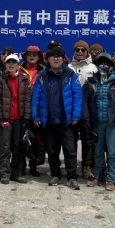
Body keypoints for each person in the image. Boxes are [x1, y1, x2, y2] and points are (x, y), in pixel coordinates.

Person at [31, 45, 83, 190]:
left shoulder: (70, 75)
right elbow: (36, 97)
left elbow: (78, 96)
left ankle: (72, 177)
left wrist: (76, 115)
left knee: (69, 150)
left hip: (66, 120)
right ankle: (55, 175)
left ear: (63, 59)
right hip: (49, 120)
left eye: (58, 56)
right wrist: (35, 115)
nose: (55, 59)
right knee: (52, 150)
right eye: (52, 56)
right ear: (48, 59)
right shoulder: (42, 75)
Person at [83, 52, 115, 191]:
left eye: (106, 63)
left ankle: (112, 179)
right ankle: (98, 176)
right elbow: (85, 101)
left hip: (112, 123)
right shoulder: (91, 81)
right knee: (98, 151)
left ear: (111, 66)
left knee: (112, 152)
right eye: (101, 63)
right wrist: (87, 119)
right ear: (96, 65)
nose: (103, 65)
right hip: (97, 123)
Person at [0, 53, 31, 184]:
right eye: (9, 62)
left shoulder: (24, 80)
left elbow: (27, 100)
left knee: (18, 147)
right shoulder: (0, 80)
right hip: (5, 119)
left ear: (18, 65)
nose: (11, 64)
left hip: (19, 119)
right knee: (4, 147)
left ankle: (17, 173)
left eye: (14, 62)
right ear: (5, 65)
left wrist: (26, 117)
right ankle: (4, 173)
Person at [69, 40, 98, 181]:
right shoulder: (68, 68)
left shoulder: (94, 68)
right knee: (71, 138)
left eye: (83, 50)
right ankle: (71, 167)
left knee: (87, 138)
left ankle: (86, 166)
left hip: (88, 107)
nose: (80, 52)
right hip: (71, 107)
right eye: (77, 50)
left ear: (87, 52)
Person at [20, 45, 45, 175]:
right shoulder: (19, 69)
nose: (31, 56)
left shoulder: (44, 71)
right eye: (29, 54)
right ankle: (21, 166)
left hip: (38, 110)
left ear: (39, 57)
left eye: (34, 54)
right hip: (22, 109)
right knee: (22, 138)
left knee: (36, 139)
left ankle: (33, 166)